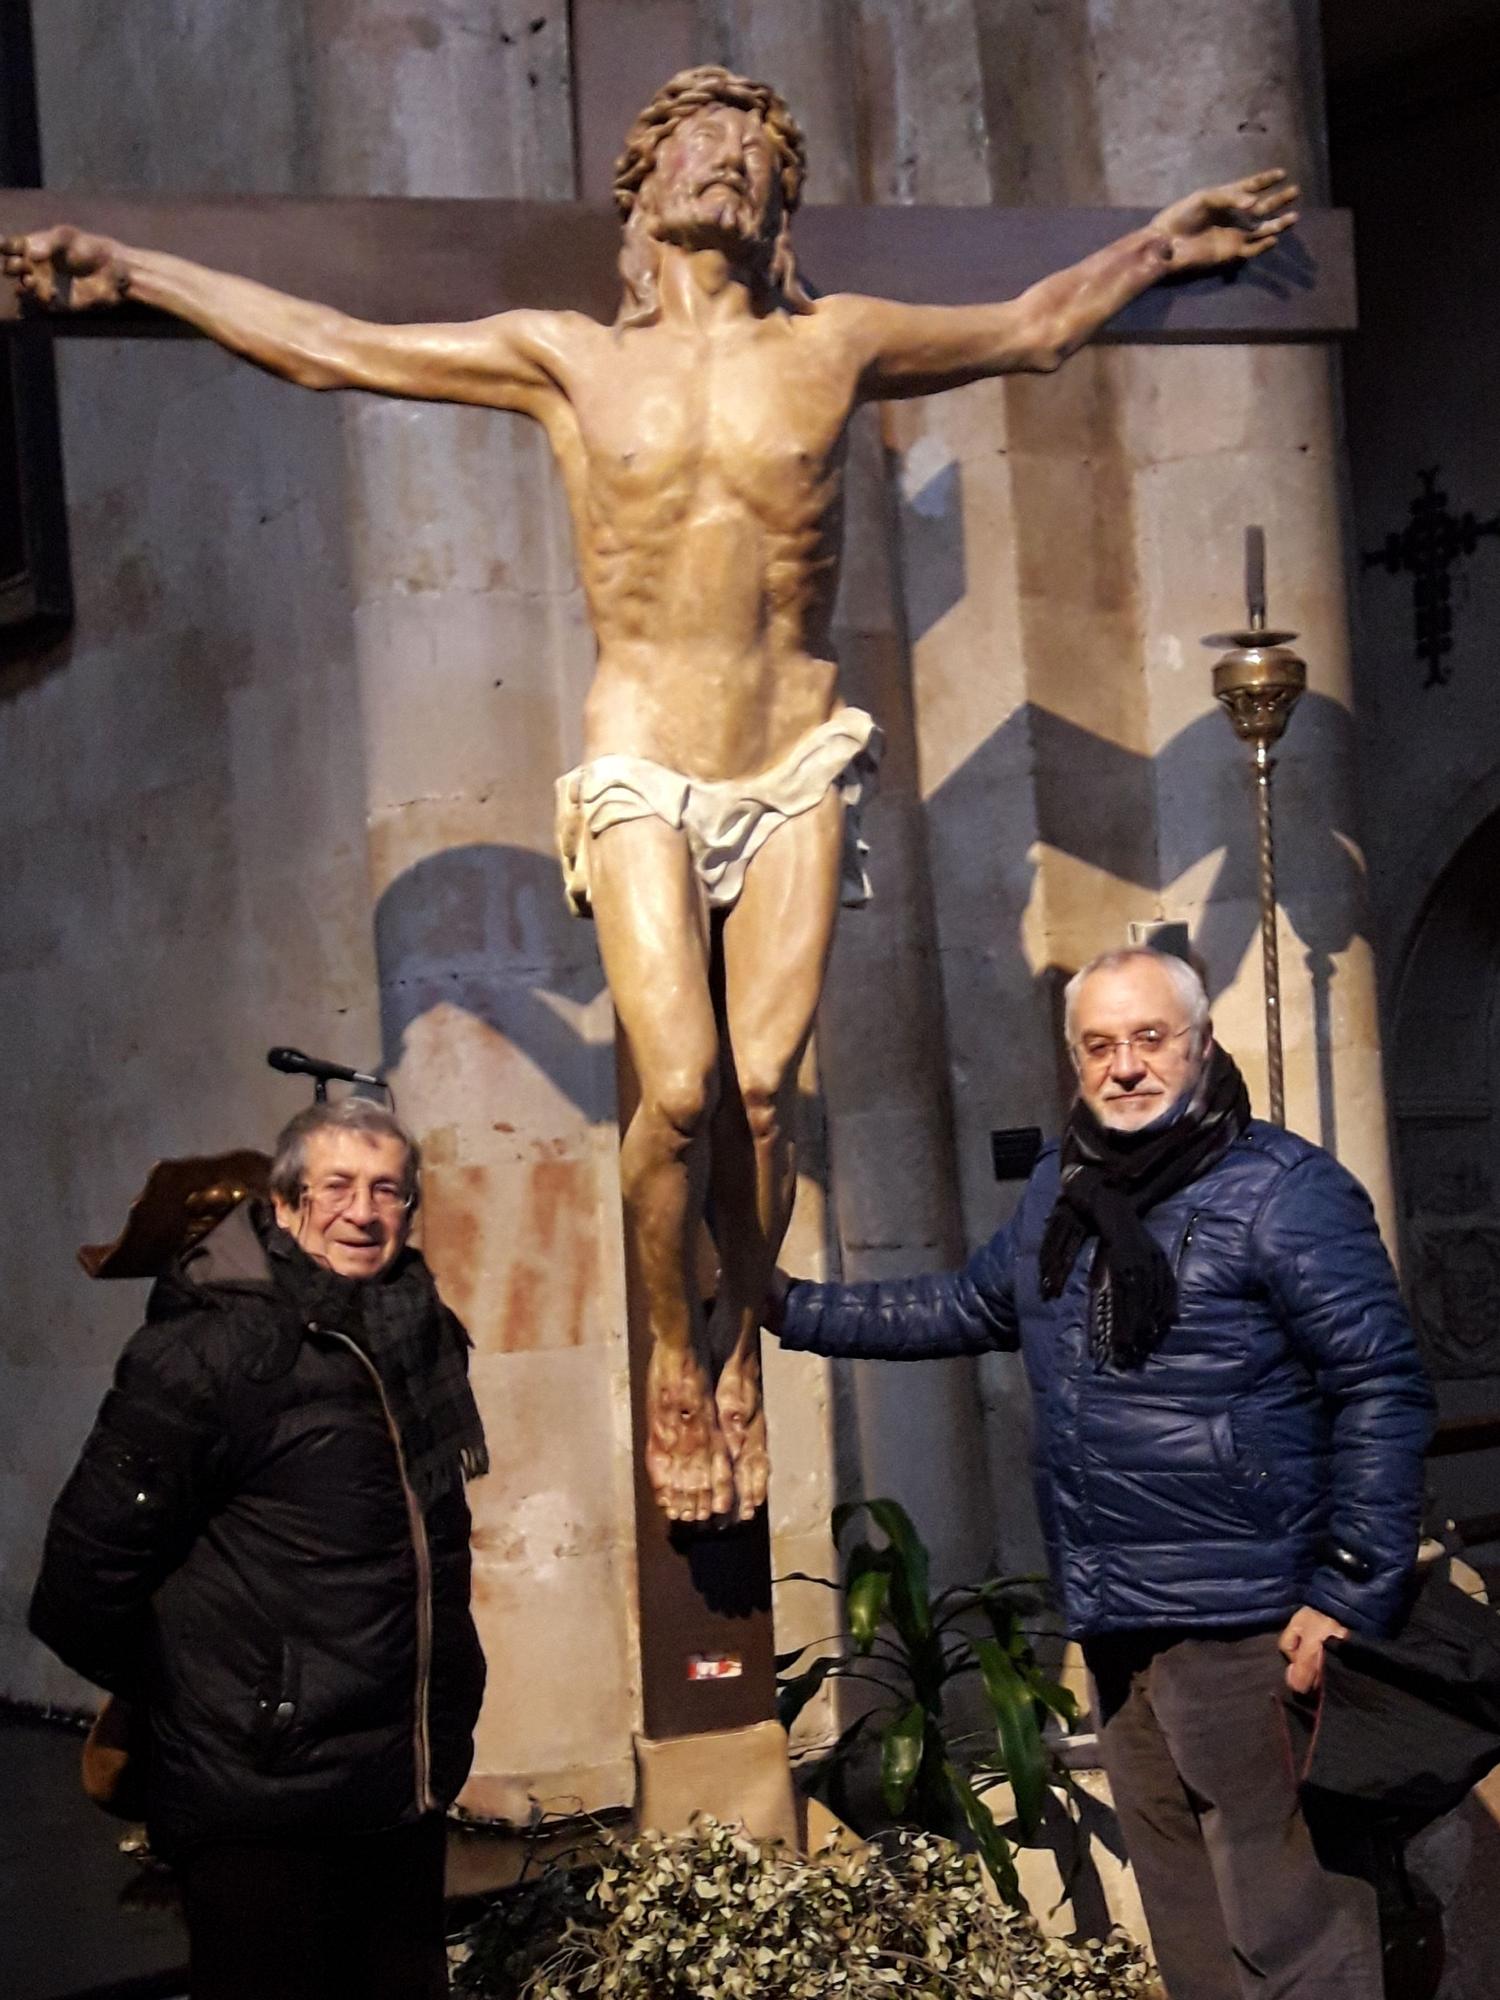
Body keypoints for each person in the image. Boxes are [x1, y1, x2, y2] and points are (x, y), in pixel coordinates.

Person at [3, 70, 1299, 1528]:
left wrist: (1161, 244)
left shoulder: (839, 344)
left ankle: (738, 1349)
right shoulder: (563, 358)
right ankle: (677, 1356)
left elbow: (1033, 328)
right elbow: (331, 348)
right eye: (697, 142)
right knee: (677, 1089)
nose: (726, 167)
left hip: (796, 748)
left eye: (753, 152)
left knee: (759, 1092)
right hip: (639, 756)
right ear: (643, 182)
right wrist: (140, 271)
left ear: (779, 201)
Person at [769, 947, 1434, 1999]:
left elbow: (1383, 1390)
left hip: (1250, 1620)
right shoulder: (1061, 1195)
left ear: (1202, 1043)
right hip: (1119, 1617)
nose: (1126, 1065)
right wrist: (786, 1306)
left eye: (1150, 1037)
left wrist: (1348, 1584)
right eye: (1100, 1044)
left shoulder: (1286, 1190)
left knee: (1291, 1918)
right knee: (1186, 1918)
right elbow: (963, 1305)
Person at [30, 1095, 488, 2000]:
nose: (365, 1211)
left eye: (389, 1190)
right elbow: (80, 1585)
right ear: (283, 1205)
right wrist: (229, 1700)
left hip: (400, 1783)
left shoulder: (417, 1335)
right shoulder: (213, 1349)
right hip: (263, 1808)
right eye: (338, 1187)